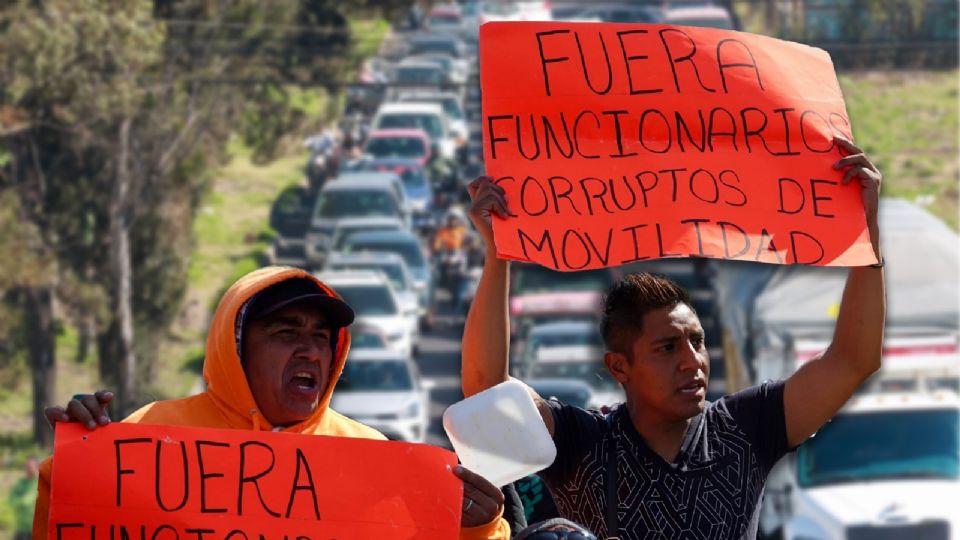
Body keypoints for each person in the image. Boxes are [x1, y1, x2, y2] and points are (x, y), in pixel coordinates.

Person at [461, 136, 885, 539]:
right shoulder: (584, 443)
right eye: (667, 348)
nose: (692, 361)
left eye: (697, 342)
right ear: (619, 367)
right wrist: (497, 257)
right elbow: (487, 390)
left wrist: (865, 234)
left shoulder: (746, 428)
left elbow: (852, 361)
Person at [35, 267, 510, 540]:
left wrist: (477, 530)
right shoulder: (157, 432)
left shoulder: (371, 456)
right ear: (238, 348)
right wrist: (75, 470)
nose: (310, 351)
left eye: (322, 338)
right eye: (286, 333)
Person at [9, 456, 39, 540]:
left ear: (37, 467)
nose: (28, 468)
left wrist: (19, 499)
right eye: (26, 466)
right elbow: (11, 499)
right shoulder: (21, 482)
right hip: (21, 527)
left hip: (35, 528)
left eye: (30, 466)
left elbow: (28, 500)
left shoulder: (38, 483)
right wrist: (20, 500)